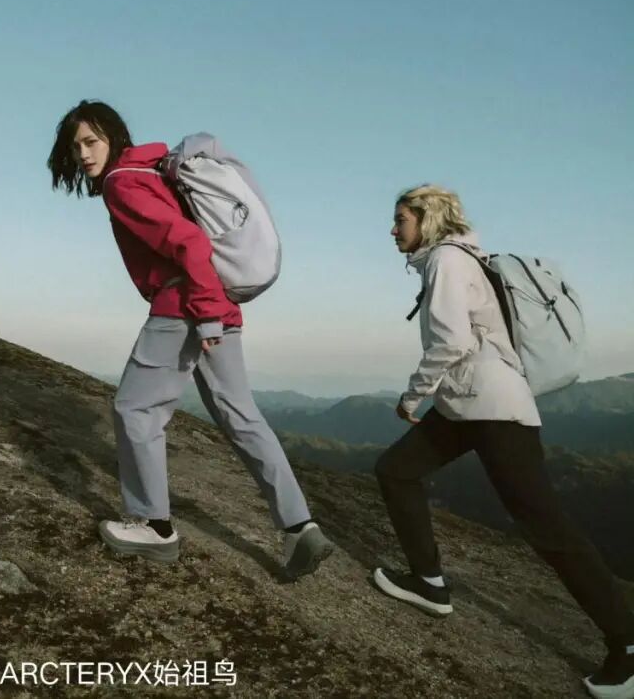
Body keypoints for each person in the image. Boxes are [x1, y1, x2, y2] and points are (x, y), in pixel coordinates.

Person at [47, 100, 334, 579]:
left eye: (91, 142)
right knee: (241, 416)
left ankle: (152, 526)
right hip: (218, 301)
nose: (83, 154)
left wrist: (203, 316)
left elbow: (189, 242)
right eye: (76, 147)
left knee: (135, 408)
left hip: (184, 306)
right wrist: (213, 314)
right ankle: (299, 526)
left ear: (113, 138)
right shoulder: (155, 170)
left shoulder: (122, 182)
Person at [373, 183, 634, 699]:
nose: (392, 229)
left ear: (426, 220)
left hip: (493, 408)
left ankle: (627, 646)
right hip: (467, 404)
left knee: (547, 527)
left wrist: (412, 395)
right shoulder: (457, 259)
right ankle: (429, 583)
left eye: (400, 219)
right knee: (396, 470)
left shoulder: (447, 260)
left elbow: (452, 340)